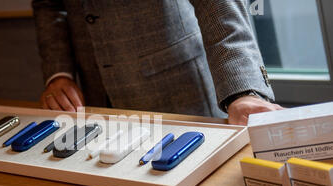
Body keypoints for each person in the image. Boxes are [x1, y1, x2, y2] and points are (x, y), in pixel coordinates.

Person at [32, 0, 283, 125]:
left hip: (179, 90)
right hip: (95, 98)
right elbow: (48, 5)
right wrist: (59, 74)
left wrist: (242, 91)